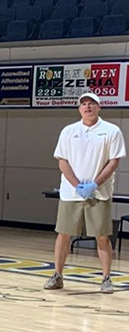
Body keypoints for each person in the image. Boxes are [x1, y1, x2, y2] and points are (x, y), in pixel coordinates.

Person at [45, 92, 124, 293]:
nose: (87, 107)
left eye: (91, 104)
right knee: (63, 234)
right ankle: (57, 275)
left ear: (99, 107)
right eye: (84, 104)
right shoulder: (68, 131)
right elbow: (62, 161)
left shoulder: (111, 131)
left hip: (99, 194)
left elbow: (113, 161)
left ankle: (106, 279)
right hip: (71, 194)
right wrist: (77, 185)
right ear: (79, 109)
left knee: (102, 236)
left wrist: (94, 185)